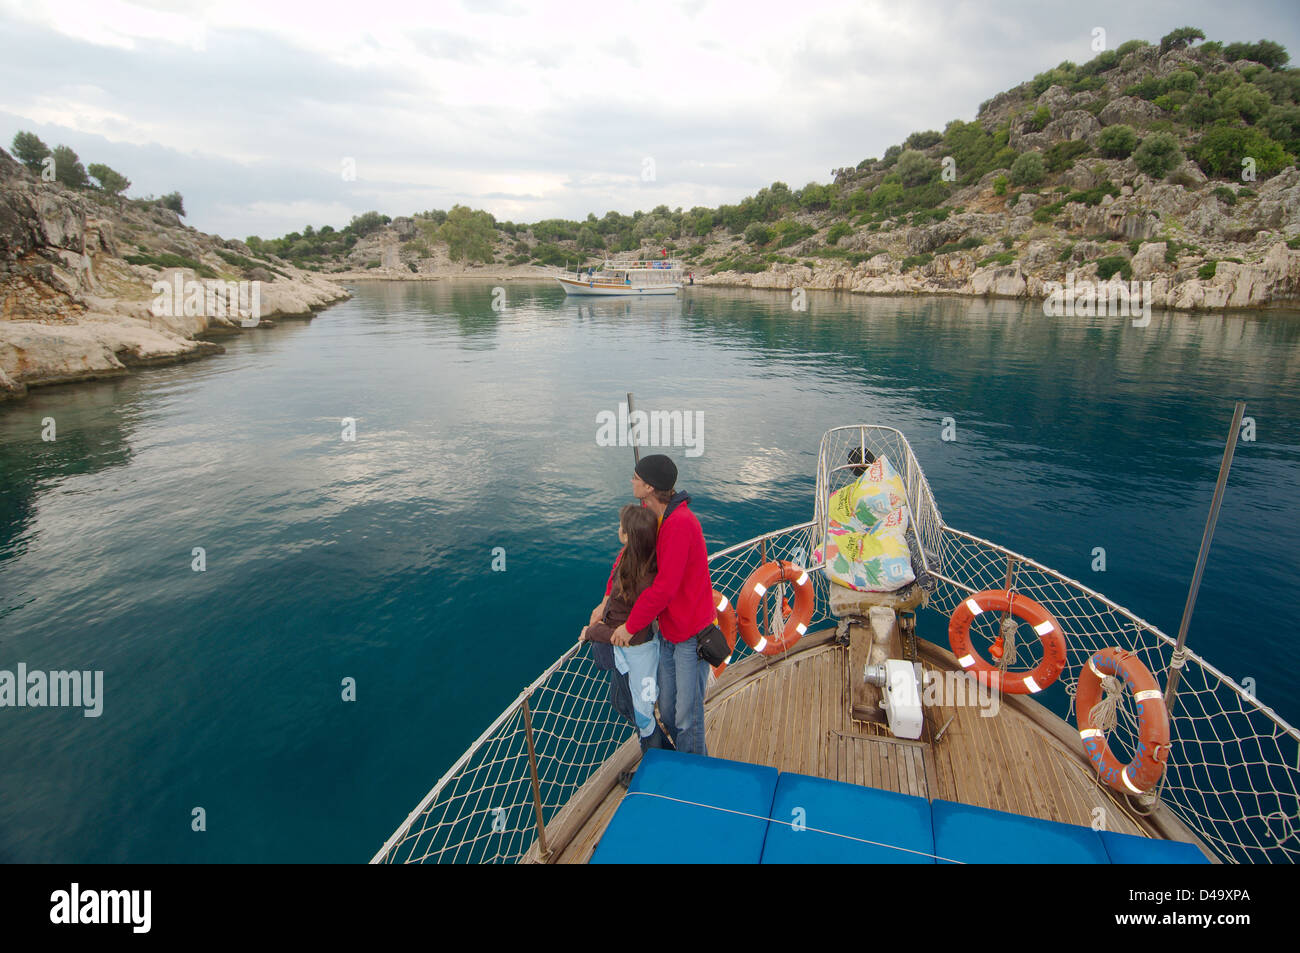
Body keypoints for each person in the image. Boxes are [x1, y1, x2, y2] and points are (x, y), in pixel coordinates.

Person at [610, 454, 714, 755]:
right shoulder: (656, 515)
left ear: (649, 487)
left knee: (686, 717)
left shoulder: (679, 523)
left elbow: (665, 587)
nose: (631, 480)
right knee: (667, 710)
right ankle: (677, 765)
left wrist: (630, 627)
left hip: (690, 633)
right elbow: (628, 555)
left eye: (635, 477)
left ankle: (691, 778)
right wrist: (607, 598)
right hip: (668, 630)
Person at [582, 504, 668, 751]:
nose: (618, 529)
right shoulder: (632, 558)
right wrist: (602, 607)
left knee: (642, 714)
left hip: (633, 656)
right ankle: (660, 754)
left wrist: (592, 632)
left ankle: (658, 761)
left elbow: (632, 634)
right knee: (621, 703)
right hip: (625, 654)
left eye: (622, 527)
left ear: (629, 535)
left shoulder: (642, 582)